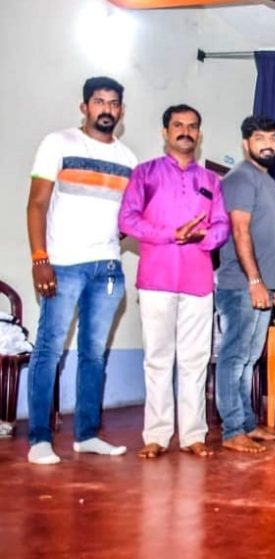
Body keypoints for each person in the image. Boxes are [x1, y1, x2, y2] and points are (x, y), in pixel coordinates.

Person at [24, 77, 137, 465]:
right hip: (62, 264)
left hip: (108, 269)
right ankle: (39, 439)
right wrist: (40, 258)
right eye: (99, 101)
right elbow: (37, 204)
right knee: (49, 350)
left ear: (121, 111)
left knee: (94, 354)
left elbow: (128, 217)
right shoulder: (58, 143)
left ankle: (87, 434)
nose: (106, 108)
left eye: (113, 103)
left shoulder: (129, 159)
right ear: (84, 107)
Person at [119, 104, 229, 459]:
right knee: (158, 359)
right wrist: (171, 234)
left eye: (192, 126)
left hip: (198, 281)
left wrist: (204, 237)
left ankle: (194, 435)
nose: (186, 131)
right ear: (165, 132)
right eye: (178, 125)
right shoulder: (145, 173)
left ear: (199, 133)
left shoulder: (211, 181)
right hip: (156, 279)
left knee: (195, 360)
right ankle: (157, 435)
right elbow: (127, 220)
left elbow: (222, 226)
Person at [215, 115, 275, 453]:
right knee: (234, 357)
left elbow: (270, 238)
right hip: (241, 285)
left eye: (272, 137)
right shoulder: (241, 178)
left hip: (263, 287)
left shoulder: (266, 180)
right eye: (259, 138)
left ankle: (246, 424)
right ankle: (232, 430)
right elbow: (240, 230)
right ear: (246, 144)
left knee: (248, 359)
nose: (267, 144)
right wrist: (255, 281)